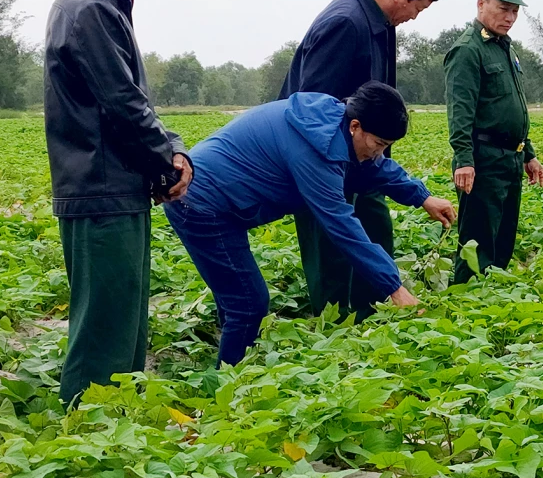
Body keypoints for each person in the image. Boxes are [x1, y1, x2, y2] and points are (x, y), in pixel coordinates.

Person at [164, 82, 455, 364]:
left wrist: (422, 197)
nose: (379, 152)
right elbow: (342, 225)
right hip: (200, 202)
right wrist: (395, 288)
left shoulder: (332, 123)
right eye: (379, 143)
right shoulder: (315, 150)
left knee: (238, 297)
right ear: (355, 126)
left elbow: (374, 166)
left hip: (222, 200)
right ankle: (226, 389)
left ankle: (235, 361)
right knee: (248, 303)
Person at [43, 0, 193, 405]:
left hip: (115, 187)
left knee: (124, 316)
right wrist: (168, 157)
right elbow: (123, 104)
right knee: (105, 325)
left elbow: (128, 100)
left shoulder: (97, 4)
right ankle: (85, 434)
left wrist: (168, 150)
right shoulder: (88, 9)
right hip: (100, 191)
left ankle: (116, 430)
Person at [279, 0, 443, 315]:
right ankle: (335, 333)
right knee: (333, 250)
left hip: (361, 158)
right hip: (325, 159)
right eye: (416, 9)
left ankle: (373, 319)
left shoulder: (379, 23)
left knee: (375, 231)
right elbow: (312, 110)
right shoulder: (346, 23)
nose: (413, 18)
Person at [444, 0, 543, 283]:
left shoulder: (504, 48)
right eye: (503, 8)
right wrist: (464, 160)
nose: (510, 17)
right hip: (483, 159)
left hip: (510, 159)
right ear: (481, 4)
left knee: (502, 243)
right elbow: (460, 111)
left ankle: (493, 300)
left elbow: (514, 107)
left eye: (515, 11)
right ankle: (465, 305)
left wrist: (528, 154)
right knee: (477, 245)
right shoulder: (467, 50)